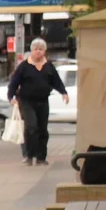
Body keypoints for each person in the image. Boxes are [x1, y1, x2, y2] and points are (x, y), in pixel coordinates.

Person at [9, 38, 66, 166]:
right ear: (31, 51)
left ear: (44, 51)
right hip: (26, 101)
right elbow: (14, 83)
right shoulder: (24, 66)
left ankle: (41, 157)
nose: (38, 52)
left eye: (40, 49)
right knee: (31, 127)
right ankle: (29, 155)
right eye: (35, 49)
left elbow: (56, 81)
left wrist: (64, 93)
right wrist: (11, 97)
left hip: (43, 101)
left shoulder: (48, 66)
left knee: (42, 130)